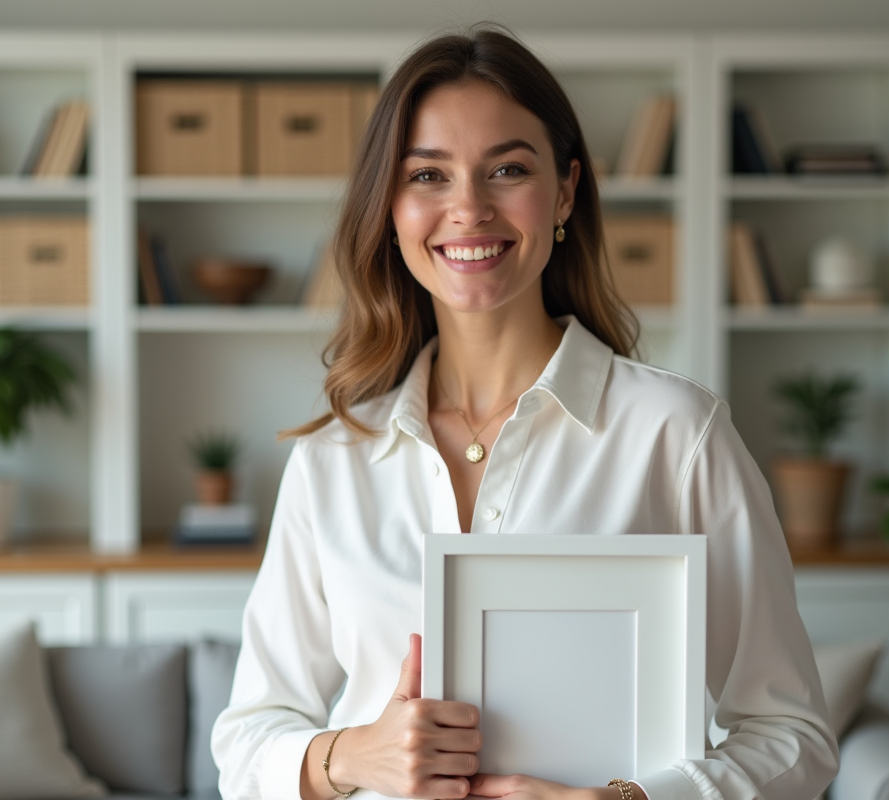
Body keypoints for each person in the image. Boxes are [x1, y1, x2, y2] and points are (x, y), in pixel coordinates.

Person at [212, 25, 838, 800]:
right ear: (391, 206)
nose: (468, 209)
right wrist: (351, 755)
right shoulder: (335, 458)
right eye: (428, 176)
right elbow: (246, 742)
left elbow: (793, 738)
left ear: (566, 189)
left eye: (507, 169)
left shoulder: (675, 434)